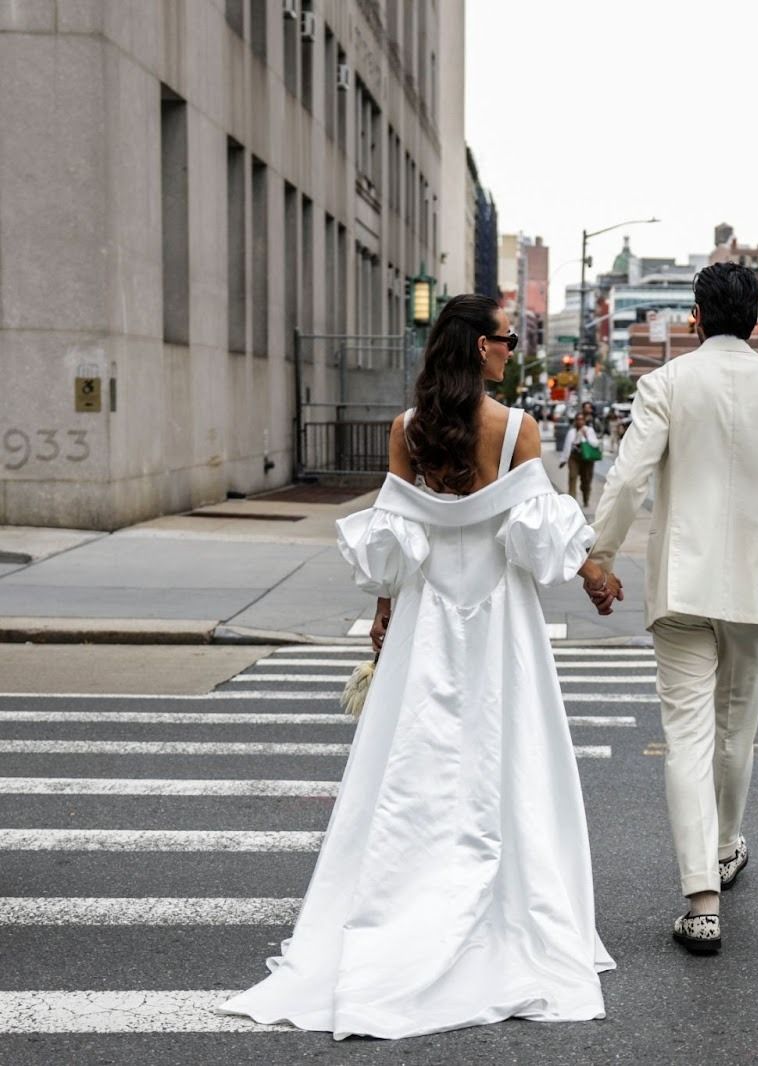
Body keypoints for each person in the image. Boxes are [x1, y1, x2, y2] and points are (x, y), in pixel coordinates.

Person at [220, 294, 616, 1039]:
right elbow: (534, 545)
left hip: (427, 620)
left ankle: (405, 903)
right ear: (476, 349)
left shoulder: (408, 432)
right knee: (507, 762)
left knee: (415, 768)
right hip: (501, 624)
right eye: (503, 340)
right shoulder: (516, 432)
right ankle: (505, 913)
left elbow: (396, 543)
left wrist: (382, 611)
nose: (510, 351)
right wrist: (591, 568)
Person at [584, 262, 758, 956]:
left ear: (696, 318)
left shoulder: (666, 383)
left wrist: (601, 557)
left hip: (683, 582)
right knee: (737, 730)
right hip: (755, 581)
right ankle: (728, 846)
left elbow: (627, 480)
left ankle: (701, 900)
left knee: (686, 736)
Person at [560, 410, 601, 507]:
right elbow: (567, 447)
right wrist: (563, 460)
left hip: (587, 459)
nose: (580, 421)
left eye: (582, 419)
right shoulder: (571, 432)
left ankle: (586, 499)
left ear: (584, 421)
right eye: (578, 419)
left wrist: (586, 436)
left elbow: (595, 444)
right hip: (574, 457)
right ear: (575, 421)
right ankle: (572, 501)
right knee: (572, 477)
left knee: (586, 480)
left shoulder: (589, 430)